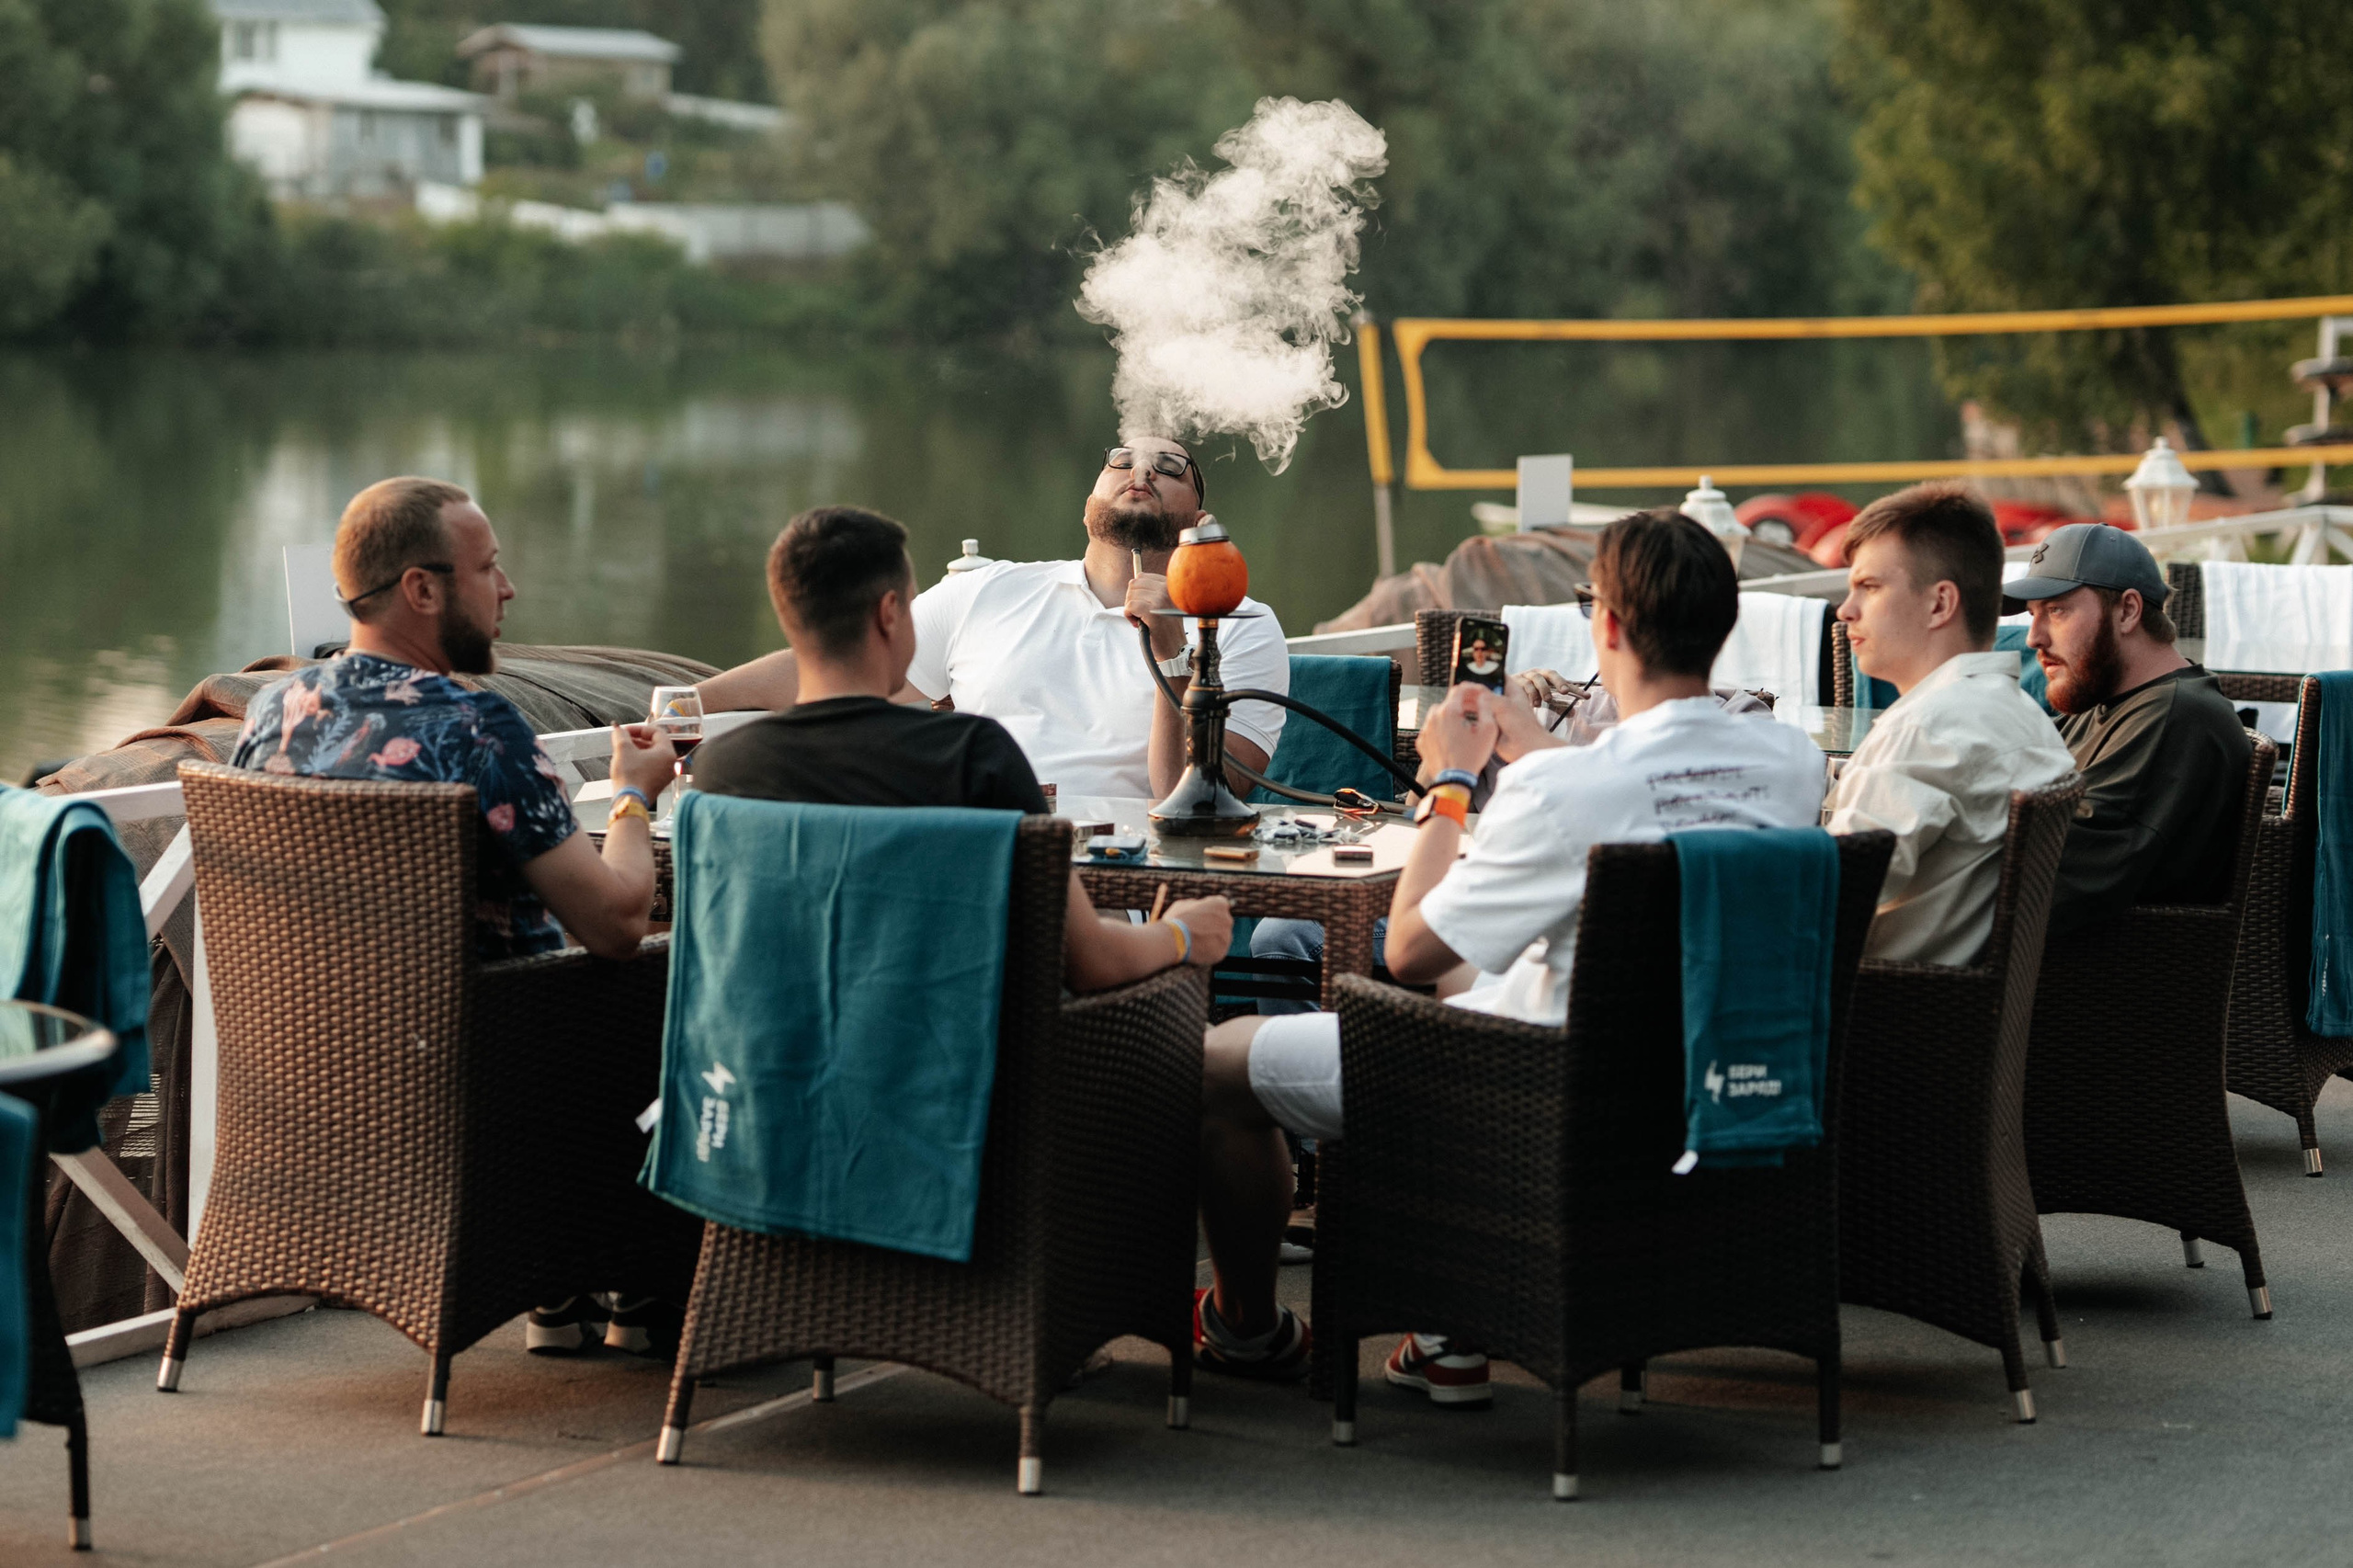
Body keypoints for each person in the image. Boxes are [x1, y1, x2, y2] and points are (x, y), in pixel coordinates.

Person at [1194, 510, 1826, 1399]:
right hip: (1700, 1082)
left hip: (1528, 1093)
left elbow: (1411, 952)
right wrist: (1531, 751)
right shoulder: (1794, 764)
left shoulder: (1570, 791)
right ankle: (1448, 1329)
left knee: (1220, 1061)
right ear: (1722, 626)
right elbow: (1640, 789)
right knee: (1484, 969)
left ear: (1603, 626)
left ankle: (1249, 1328)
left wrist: (1452, 782)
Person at [231, 476, 680, 1357]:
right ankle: (636, 1270)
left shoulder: (270, 710)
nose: (508, 590)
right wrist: (633, 799)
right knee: (671, 964)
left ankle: (559, 1285)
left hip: (306, 1062)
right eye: (491, 568)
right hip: (481, 1068)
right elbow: (617, 922)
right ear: (423, 590)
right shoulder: (476, 724)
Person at [691, 505, 1234, 993]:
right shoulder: (972, 757)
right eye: (912, 605)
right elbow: (1091, 962)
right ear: (889, 615)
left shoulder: (722, 766)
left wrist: (684, 706)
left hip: (767, 1056)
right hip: (934, 1054)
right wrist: (1182, 932)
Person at [692, 437, 1288, 801]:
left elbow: (1191, 798)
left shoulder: (1238, 625)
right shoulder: (991, 589)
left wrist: (1172, 649)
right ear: (1088, 505)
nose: (1142, 469)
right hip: (966, 840)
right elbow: (833, 665)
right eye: (1123, 458)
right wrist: (685, 705)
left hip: (1119, 877)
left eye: (1169, 465)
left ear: (1197, 519)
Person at [1823, 484, 2075, 963]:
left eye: (1869, 587)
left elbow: (1831, 893)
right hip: (1952, 1015)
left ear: (1940, 604)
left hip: (1868, 1013)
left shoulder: (1927, 729)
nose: (1845, 609)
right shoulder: (2020, 716)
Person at [2007, 523, 2252, 933]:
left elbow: (2052, 876)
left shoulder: (2174, 718)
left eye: (2057, 610)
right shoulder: (2106, 697)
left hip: (2086, 980)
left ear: (2128, 611)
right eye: (2033, 614)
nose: (2034, 637)